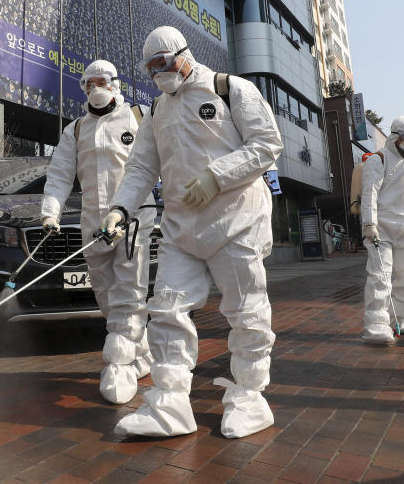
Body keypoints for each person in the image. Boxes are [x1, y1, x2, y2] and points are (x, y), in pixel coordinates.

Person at [101, 26, 283, 438]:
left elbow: (267, 143)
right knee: (165, 309)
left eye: (163, 63)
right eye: (150, 68)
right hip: (181, 229)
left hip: (236, 220)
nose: (158, 73)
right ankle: (169, 403)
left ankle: (250, 397)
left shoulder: (228, 89)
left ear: (183, 54)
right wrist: (119, 209)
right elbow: (141, 168)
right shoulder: (156, 111)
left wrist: (217, 176)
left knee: (247, 311)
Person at [41, 59, 154, 405]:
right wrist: (50, 212)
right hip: (93, 225)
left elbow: (161, 160)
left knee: (129, 291)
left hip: (134, 219)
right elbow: (60, 174)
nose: (94, 88)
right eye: (87, 84)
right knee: (106, 295)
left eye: (100, 81)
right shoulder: (76, 129)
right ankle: (142, 353)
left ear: (116, 83)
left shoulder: (140, 117)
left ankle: (119, 366)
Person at [359, 116, 404, 343]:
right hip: (383, 228)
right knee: (380, 277)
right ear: (395, 136)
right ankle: (376, 324)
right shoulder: (378, 160)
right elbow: (369, 192)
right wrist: (369, 223)